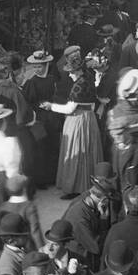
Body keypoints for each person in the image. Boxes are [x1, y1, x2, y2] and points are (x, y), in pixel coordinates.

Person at [44, 56, 103, 198]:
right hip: (90, 119)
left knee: (76, 152)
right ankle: (87, 185)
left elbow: (69, 109)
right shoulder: (88, 80)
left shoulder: (78, 85)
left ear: (78, 71)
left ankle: (75, 188)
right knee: (88, 152)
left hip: (78, 120)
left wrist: (50, 106)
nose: (69, 74)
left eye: (71, 71)